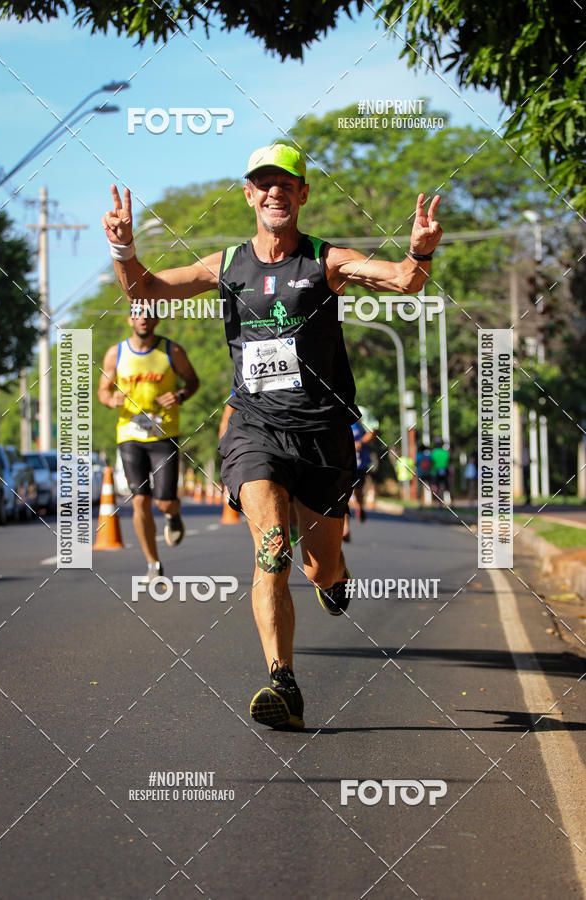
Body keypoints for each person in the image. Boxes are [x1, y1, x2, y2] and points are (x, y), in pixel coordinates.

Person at [102, 142, 442, 729]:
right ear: (249, 194)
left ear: (303, 194)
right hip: (255, 429)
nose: (274, 192)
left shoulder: (325, 261)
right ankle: (282, 682)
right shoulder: (227, 264)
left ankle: (334, 578)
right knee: (271, 549)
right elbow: (146, 290)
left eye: (286, 183)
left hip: (323, 435)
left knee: (319, 565)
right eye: (263, 183)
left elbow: (403, 281)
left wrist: (418, 252)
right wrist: (122, 248)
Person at [97, 304, 199, 581]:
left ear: (156, 319)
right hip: (130, 434)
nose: (143, 319)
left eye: (149, 314)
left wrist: (179, 395)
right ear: (130, 319)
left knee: (164, 502)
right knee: (140, 500)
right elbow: (103, 390)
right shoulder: (116, 354)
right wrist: (111, 399)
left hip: (163, 434)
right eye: (138, 314)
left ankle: (172, 514)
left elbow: (192, 381)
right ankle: (153, 563)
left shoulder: (171, 351)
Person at [343, 410, 378, 541]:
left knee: (357, 492)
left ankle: (360, 506)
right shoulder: (333, 411)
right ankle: (345, 528)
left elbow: (373, 431)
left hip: (359, 464)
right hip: (343, 465)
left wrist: (361, 443)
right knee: (343, 496)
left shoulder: (361, 415)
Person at [431, 436, 452, 504]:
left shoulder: (433, 453)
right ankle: (452, 502)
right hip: (445, 470)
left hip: (436, 471)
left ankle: (439, 502)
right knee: (447, 486)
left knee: (435, 486)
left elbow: (432, 462)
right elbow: (449, 462)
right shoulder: (446, 453)